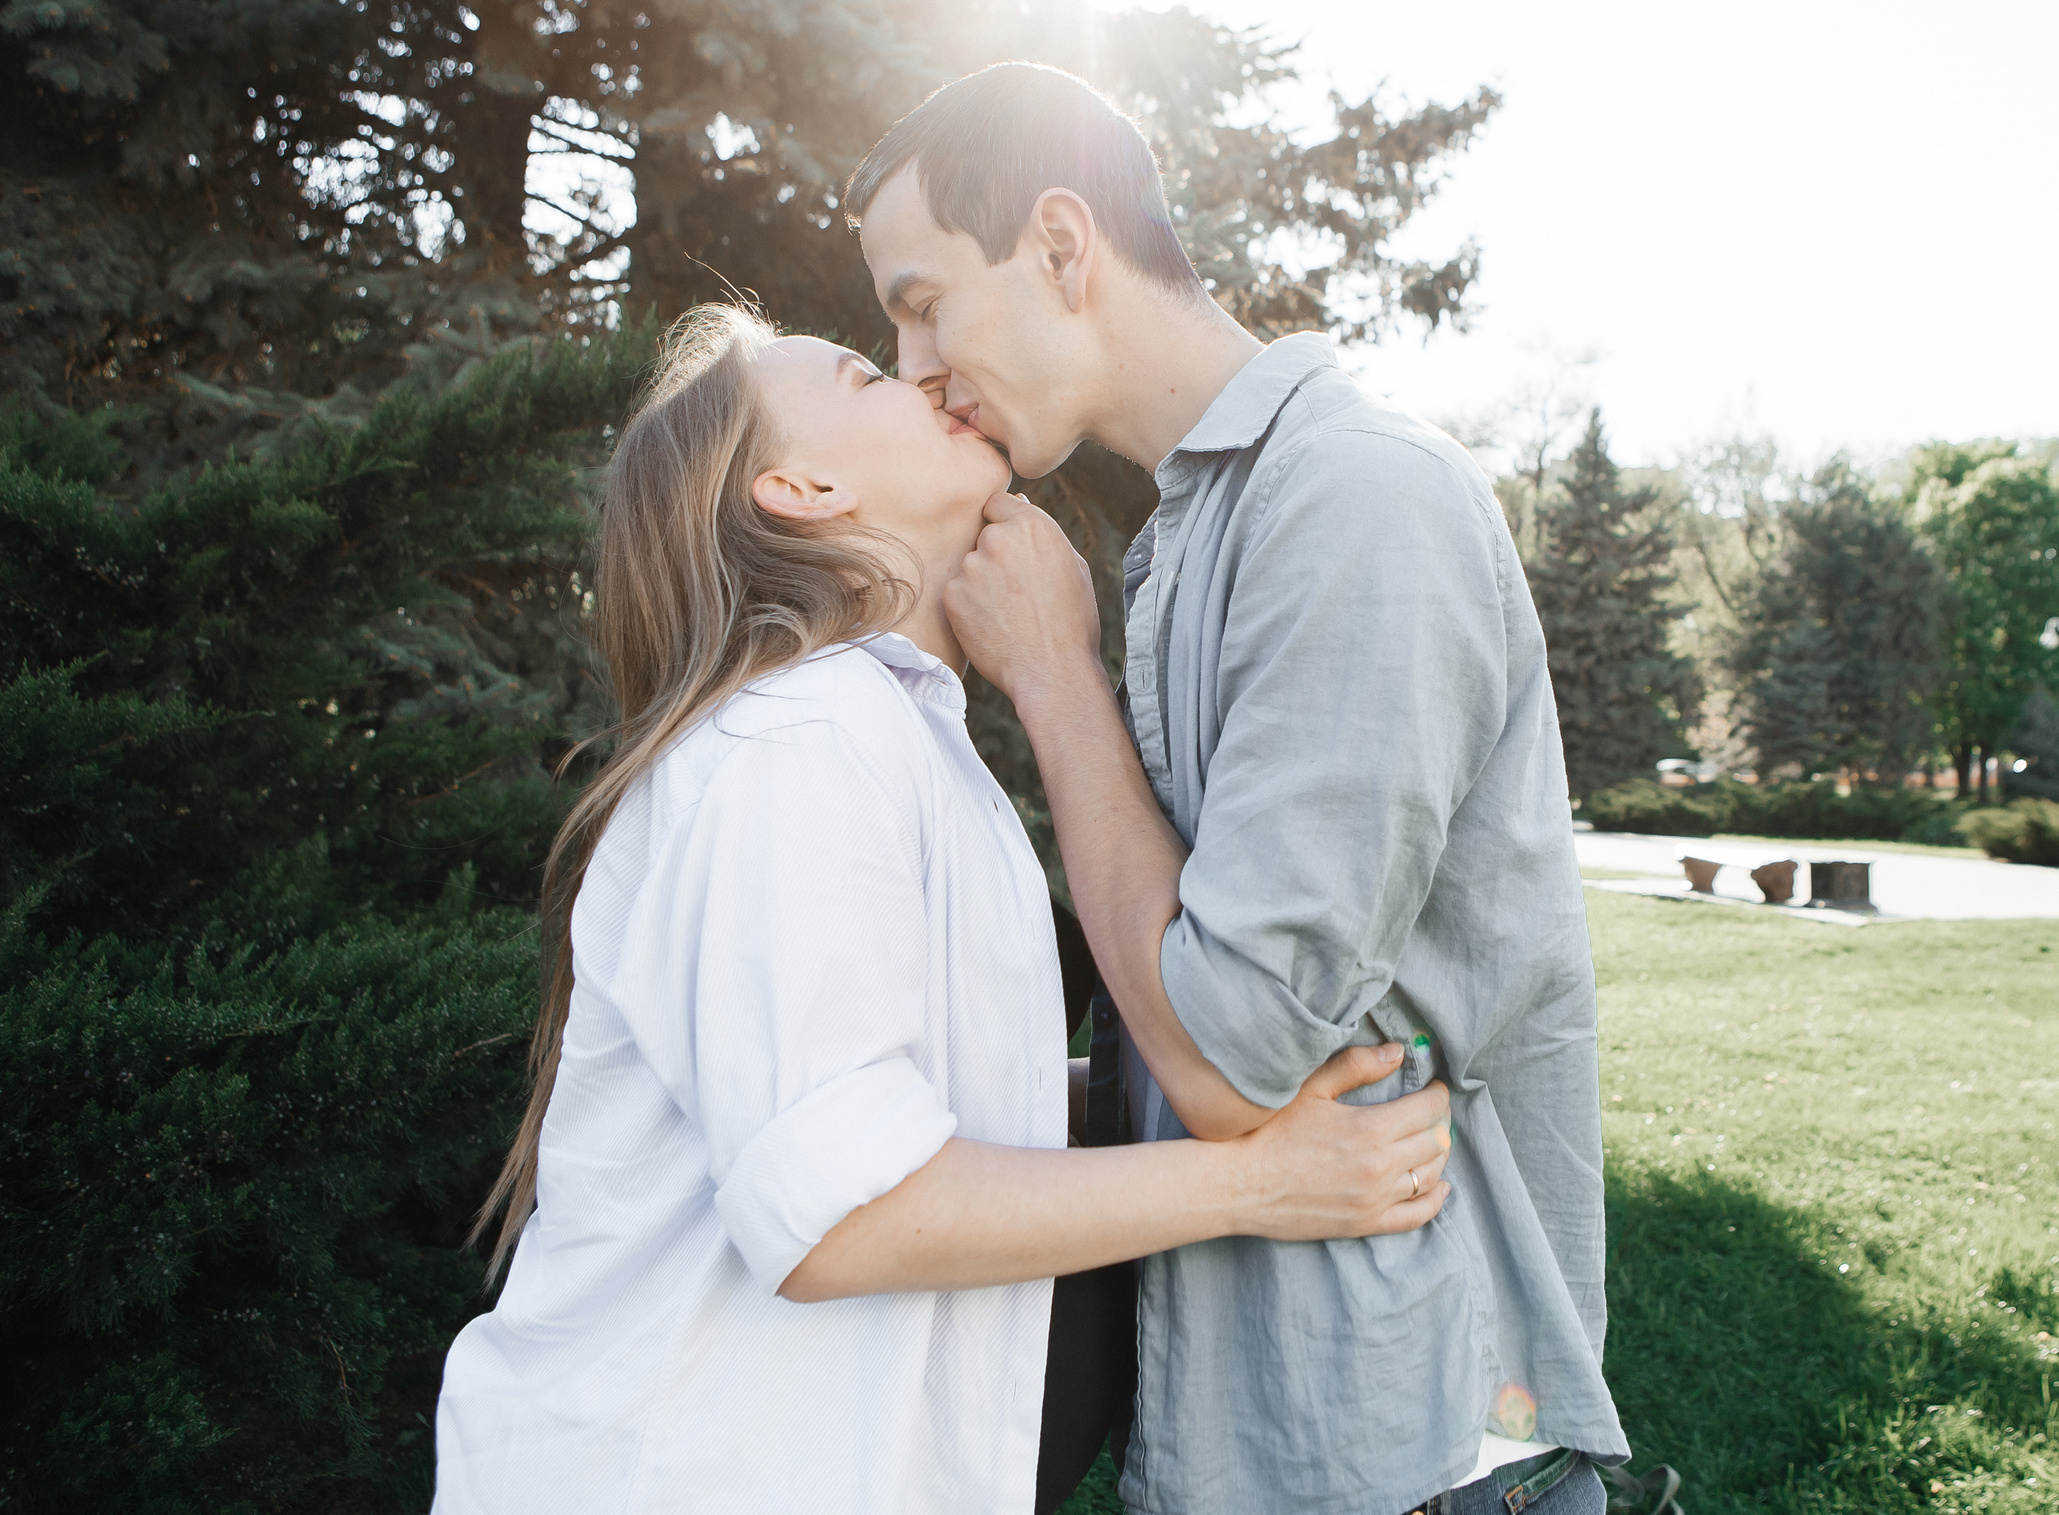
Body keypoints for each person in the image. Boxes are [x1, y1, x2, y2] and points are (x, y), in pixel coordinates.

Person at [430, 304, 1453, 1514]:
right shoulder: (797, 739)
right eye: (866, 375)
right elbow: (845, 1213)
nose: (924, 375)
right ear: (801, 489)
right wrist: (1260, 1184)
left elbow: (912, 1106)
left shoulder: (888, 733)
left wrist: (1193, 1081)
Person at [847, 63, 1630, 1515]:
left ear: (1061, 243)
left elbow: (1225, 1053)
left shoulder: (1354, 499)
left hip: (1413, 1454)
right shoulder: (1206, 527)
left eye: (924, 302)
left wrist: (1058, 678)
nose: (912, 366)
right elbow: (1180, 1012)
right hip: (1264, 1438)